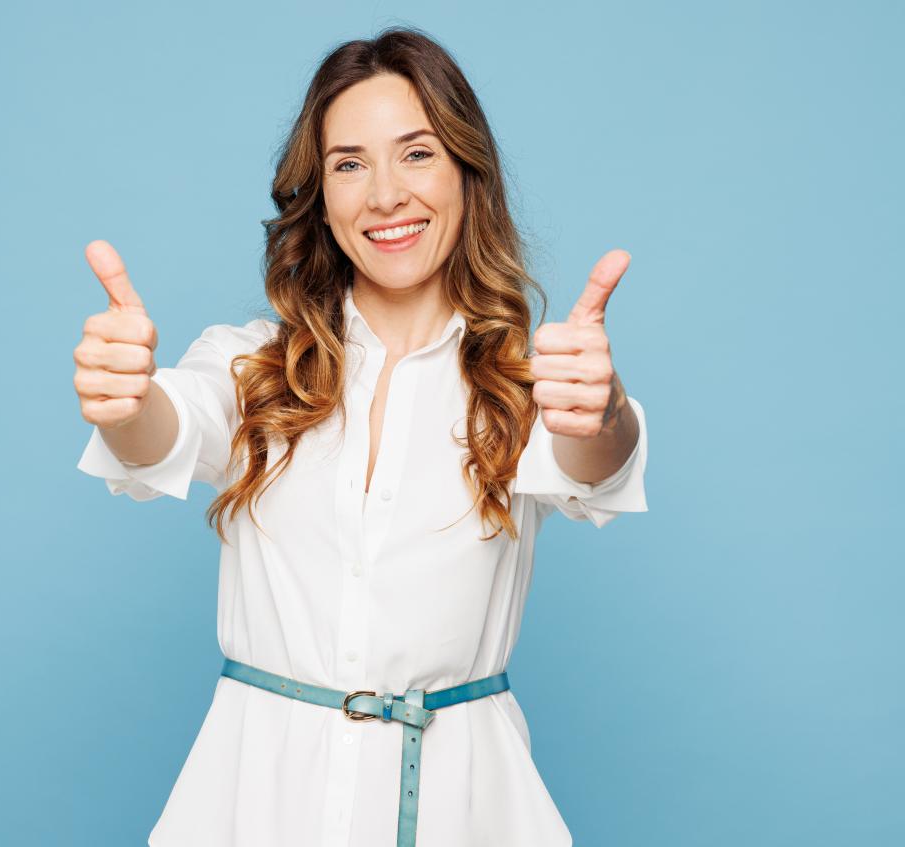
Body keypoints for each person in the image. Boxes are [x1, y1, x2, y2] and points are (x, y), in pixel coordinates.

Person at [73, 26, 647, 847]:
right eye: (349, 163)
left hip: (465, 811)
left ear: (466, 172)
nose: (384, 196)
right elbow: (162, 430)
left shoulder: (529, 383)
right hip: (253, 806)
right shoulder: (253, 366)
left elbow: (597, 461)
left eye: (416, 153)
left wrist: (606, 408)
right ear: (321, 195)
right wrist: (124, 403)